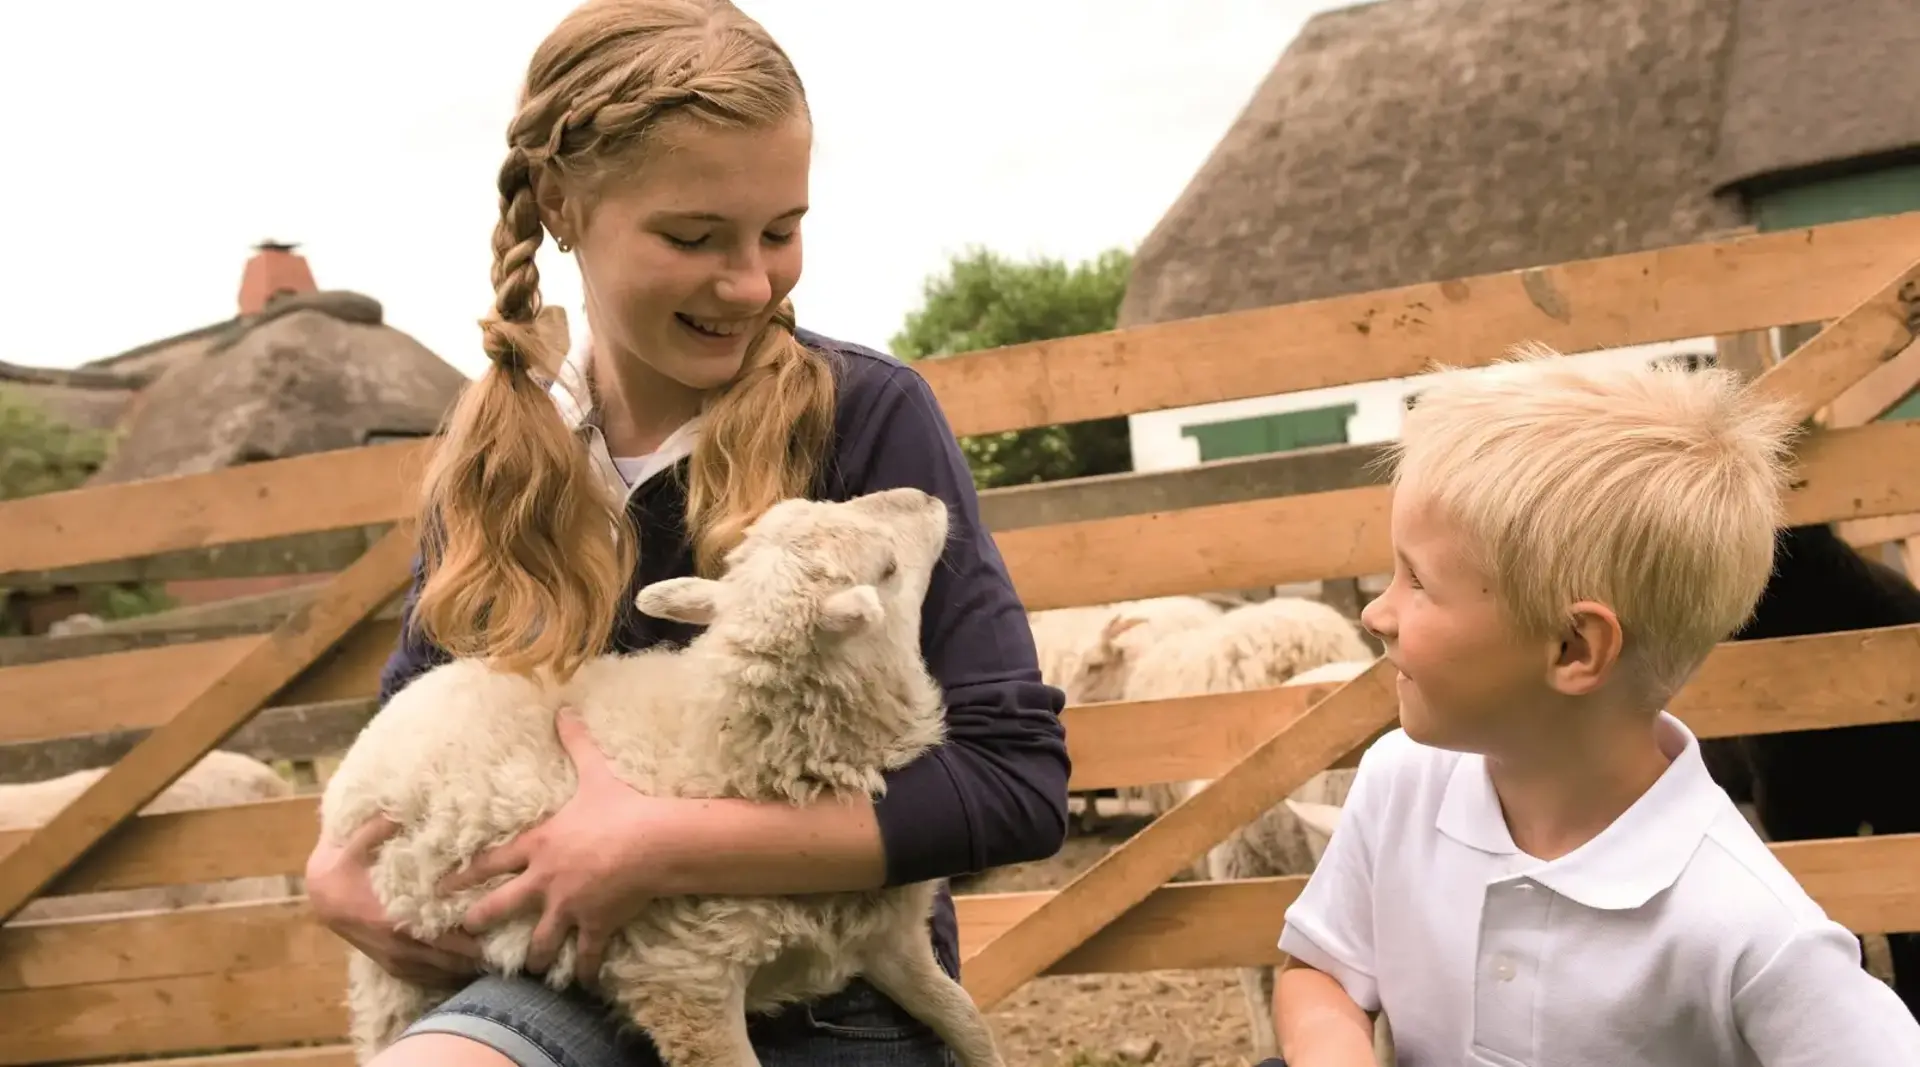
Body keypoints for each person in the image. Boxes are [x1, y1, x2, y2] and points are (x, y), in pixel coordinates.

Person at [300, 2, 1071, 1065]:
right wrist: (334, 882)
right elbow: (414, 730)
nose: (752, 282)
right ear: (565, 206)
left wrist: (654, 843)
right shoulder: (500, 453)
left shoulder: (868, 419)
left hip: (823, 984)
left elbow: (1011, 784)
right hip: (557, 975)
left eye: (781, 230)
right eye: (693, 237)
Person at [1269, 347, 1920, 1066]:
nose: (1375, 613)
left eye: (1416, 581)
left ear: (1573, 648)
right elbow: (1322, 969)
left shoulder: (1747, 926)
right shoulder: (1401, 783)